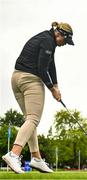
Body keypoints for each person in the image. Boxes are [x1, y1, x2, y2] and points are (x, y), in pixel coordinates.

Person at [2, 21, 74, 173]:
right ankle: (14, 154)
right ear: (59, 34)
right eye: (65, 41)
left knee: (30, 120)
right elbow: (42, 68)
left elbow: (51, 64)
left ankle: (37, 158)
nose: (64, 44)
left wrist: (56, 85)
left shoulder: (47, 39)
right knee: (34, 119)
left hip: (16, 79)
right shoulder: (48, 42)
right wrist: (51, 89)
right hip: (30, 79)